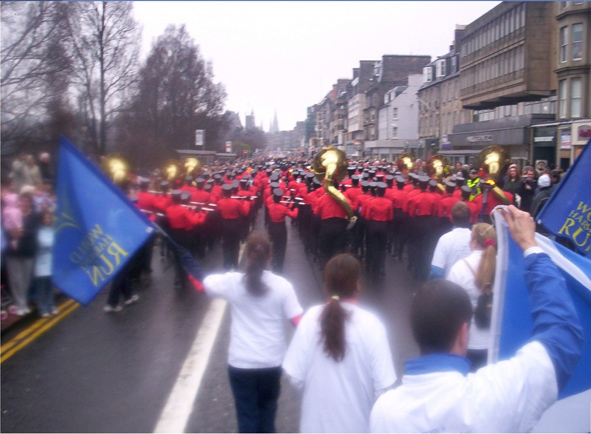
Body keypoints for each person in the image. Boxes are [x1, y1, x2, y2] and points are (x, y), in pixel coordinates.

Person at [370, 206, 583, 433]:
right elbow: (563, 338)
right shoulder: (491, 397)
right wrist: (531, 248)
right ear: (463, 332)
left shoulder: (383, 412)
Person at [283, 254, 396, 433]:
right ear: (358, 284)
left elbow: (295, 377)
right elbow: (384, 387)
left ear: (326, 284)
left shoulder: (310, 318)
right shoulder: (372, 324)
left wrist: (312, 397)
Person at [203, 232, 303, 433]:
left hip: (241, 362)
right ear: (270, 256)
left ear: (246, 255)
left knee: (246, 416)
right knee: (267, 412)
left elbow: (205, 284)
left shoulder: (232, 282)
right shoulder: (283, 286)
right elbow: (298, 322)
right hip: (272, 361)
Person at [447, 223, 496, 370]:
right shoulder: (505, 267)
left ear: (474, 242)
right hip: (495, 341)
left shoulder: (459, 268)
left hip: (467, 341)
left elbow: (449, 306)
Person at [429, 201, 473, 279]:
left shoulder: (445, 239)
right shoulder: (476, 239)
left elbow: (436, 271)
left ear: (451, 218)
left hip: (450, 286)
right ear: (470, 219)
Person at [34, 210, 57, 317]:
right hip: (40, 262)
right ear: (41, 219)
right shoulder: (37, 231)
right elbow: (41, 243)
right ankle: (42, 309)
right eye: (45, 218)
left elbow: (55, 242)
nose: (47, 220)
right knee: (41, 287)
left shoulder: (52, 230)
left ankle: (51, 306)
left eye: (48, 218)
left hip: (51, 261)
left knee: (50, 286)